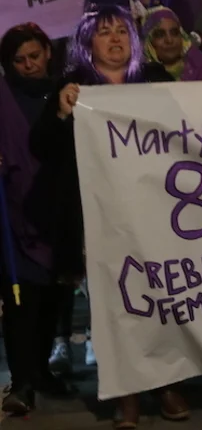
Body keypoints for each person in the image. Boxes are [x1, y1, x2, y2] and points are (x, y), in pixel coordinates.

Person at [28, 5, 189, 429]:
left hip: (155, 214)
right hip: (99, 219)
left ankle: (165, 384)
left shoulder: (153, 80)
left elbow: (196, 123)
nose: (115, 38)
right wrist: (62, 112)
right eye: (104, 32)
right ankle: (126, 394)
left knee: (160, 299)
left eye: (121, 30)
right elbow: (41, 146)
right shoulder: (74, 87)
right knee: (115, 307)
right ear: (88, 43)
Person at [0, 24, 70, 414]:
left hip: (58, 211)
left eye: (34, 56)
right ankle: (22, 381)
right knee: (21, 301)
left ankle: (41, 371)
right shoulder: (2, 96)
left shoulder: (66, 90)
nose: (29, 65)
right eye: (19, 60)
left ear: (48, 51)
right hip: (15, 212)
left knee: (52, 298)